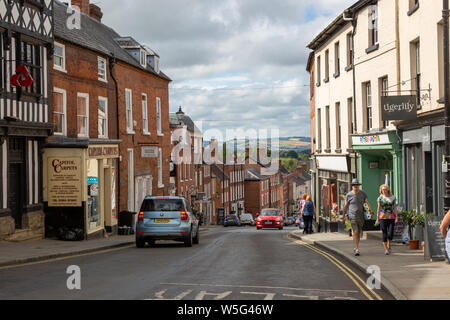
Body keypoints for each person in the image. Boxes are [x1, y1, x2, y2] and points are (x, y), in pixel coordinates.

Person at [342, 179, 374, 257]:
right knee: (355, 232)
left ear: (358, 186)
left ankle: (356, 246)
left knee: (358, 233)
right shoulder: (349, 195)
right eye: (354, 185)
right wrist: (343, 217)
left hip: (361, 216)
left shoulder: (363, 193)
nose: (355, 186)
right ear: (352, 186)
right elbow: (345, 206)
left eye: (357, 185)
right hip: (352, 216)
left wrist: (371, 211)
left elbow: (367, 202)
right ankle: (356, 249)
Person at [376, 184, 398, 255]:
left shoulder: (393, 197)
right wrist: (377, 218)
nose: (384, 191)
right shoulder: (380, 198)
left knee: (390, 233)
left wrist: (396, 217)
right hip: (382, 217)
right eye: (383, 189)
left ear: (388, 189)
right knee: (384, 233)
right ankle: (386, 249)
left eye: (385, 189)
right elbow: (378, 208)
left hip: (391, 216)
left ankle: (389, 244)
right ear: (381, 190)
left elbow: (394, 208)